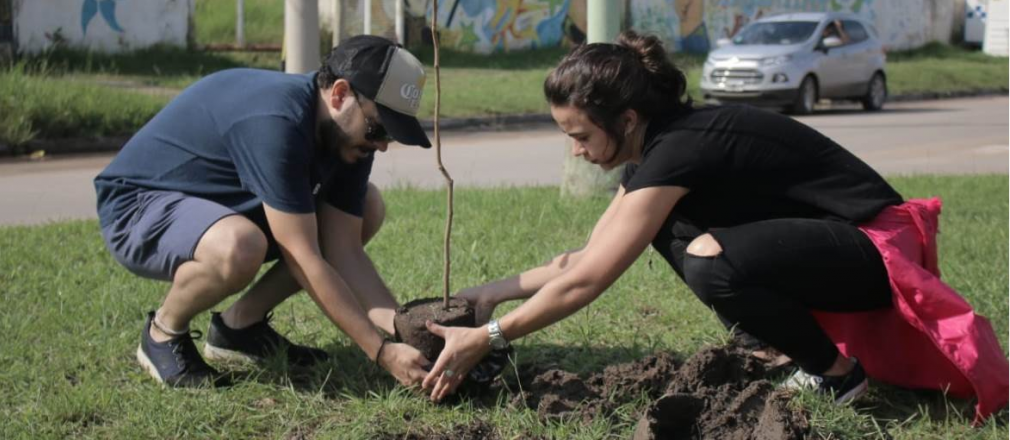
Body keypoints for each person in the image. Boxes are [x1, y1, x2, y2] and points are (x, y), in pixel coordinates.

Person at [419, 31, 1009, 421]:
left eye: (579, 136)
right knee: (672, 233)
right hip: (833, 251)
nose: (574, 152)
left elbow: (589, 282)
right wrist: (485, 295)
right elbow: (585, 257)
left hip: (875, 252)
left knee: (706, 255)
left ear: (625, 119)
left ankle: (835, 375)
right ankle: (781, 347)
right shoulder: (659, 152)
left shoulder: (681, 148)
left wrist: (491, 336)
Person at [94, 35, 433, 388]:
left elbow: (344, 251)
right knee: (239, 246)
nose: (381, 145)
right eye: (379, 128)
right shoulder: (279, 121)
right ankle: (162, 333)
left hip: (220, 209)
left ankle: (240, 328)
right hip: (136, 207)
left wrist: (406, 329)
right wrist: (379, 351)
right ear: (339, 94)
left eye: (391, 135)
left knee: (367, 206)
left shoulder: (346, 135)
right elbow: (304, 258)